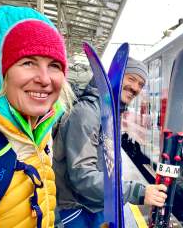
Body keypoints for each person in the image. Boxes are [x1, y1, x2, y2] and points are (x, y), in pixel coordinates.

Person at [0, 5, 74, 227]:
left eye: (54, 65)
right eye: (28, 62)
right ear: (2, 72)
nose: (45, 79)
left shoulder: (39, 132)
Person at [53, 57, 167, 227]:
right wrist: (138, 192)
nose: (135, 88)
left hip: (96, 204)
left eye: (141, 84)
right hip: (77, 210)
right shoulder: (87, 112)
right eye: (131, 79)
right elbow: (83, 177)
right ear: (115, 77)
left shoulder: (109, 112)